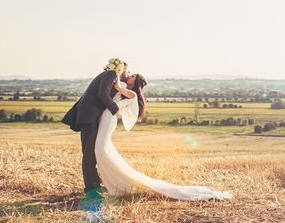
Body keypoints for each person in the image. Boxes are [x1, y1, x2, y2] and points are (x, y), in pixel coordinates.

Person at [94, 73, 232, 201]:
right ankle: (111, 180)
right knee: (101, 149)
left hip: (108, 120)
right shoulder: (125, 90)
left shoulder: (132, 94)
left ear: (135, 83)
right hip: (105, 118)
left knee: (100, 149)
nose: (130, 75)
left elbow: (116, 87)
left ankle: (115, 181)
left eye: (133, 76)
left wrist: (115, 72)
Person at [62, 58, 129, 195]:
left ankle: (95, 183)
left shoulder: (108, 76)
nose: (127, 74)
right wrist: (115, 109)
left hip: (90, 115)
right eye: (127, 71)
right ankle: (91, 188)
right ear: (121, 70)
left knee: (92, 152)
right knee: (88, 154)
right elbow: (102, 94)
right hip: (88, 116)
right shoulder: (110, 75)